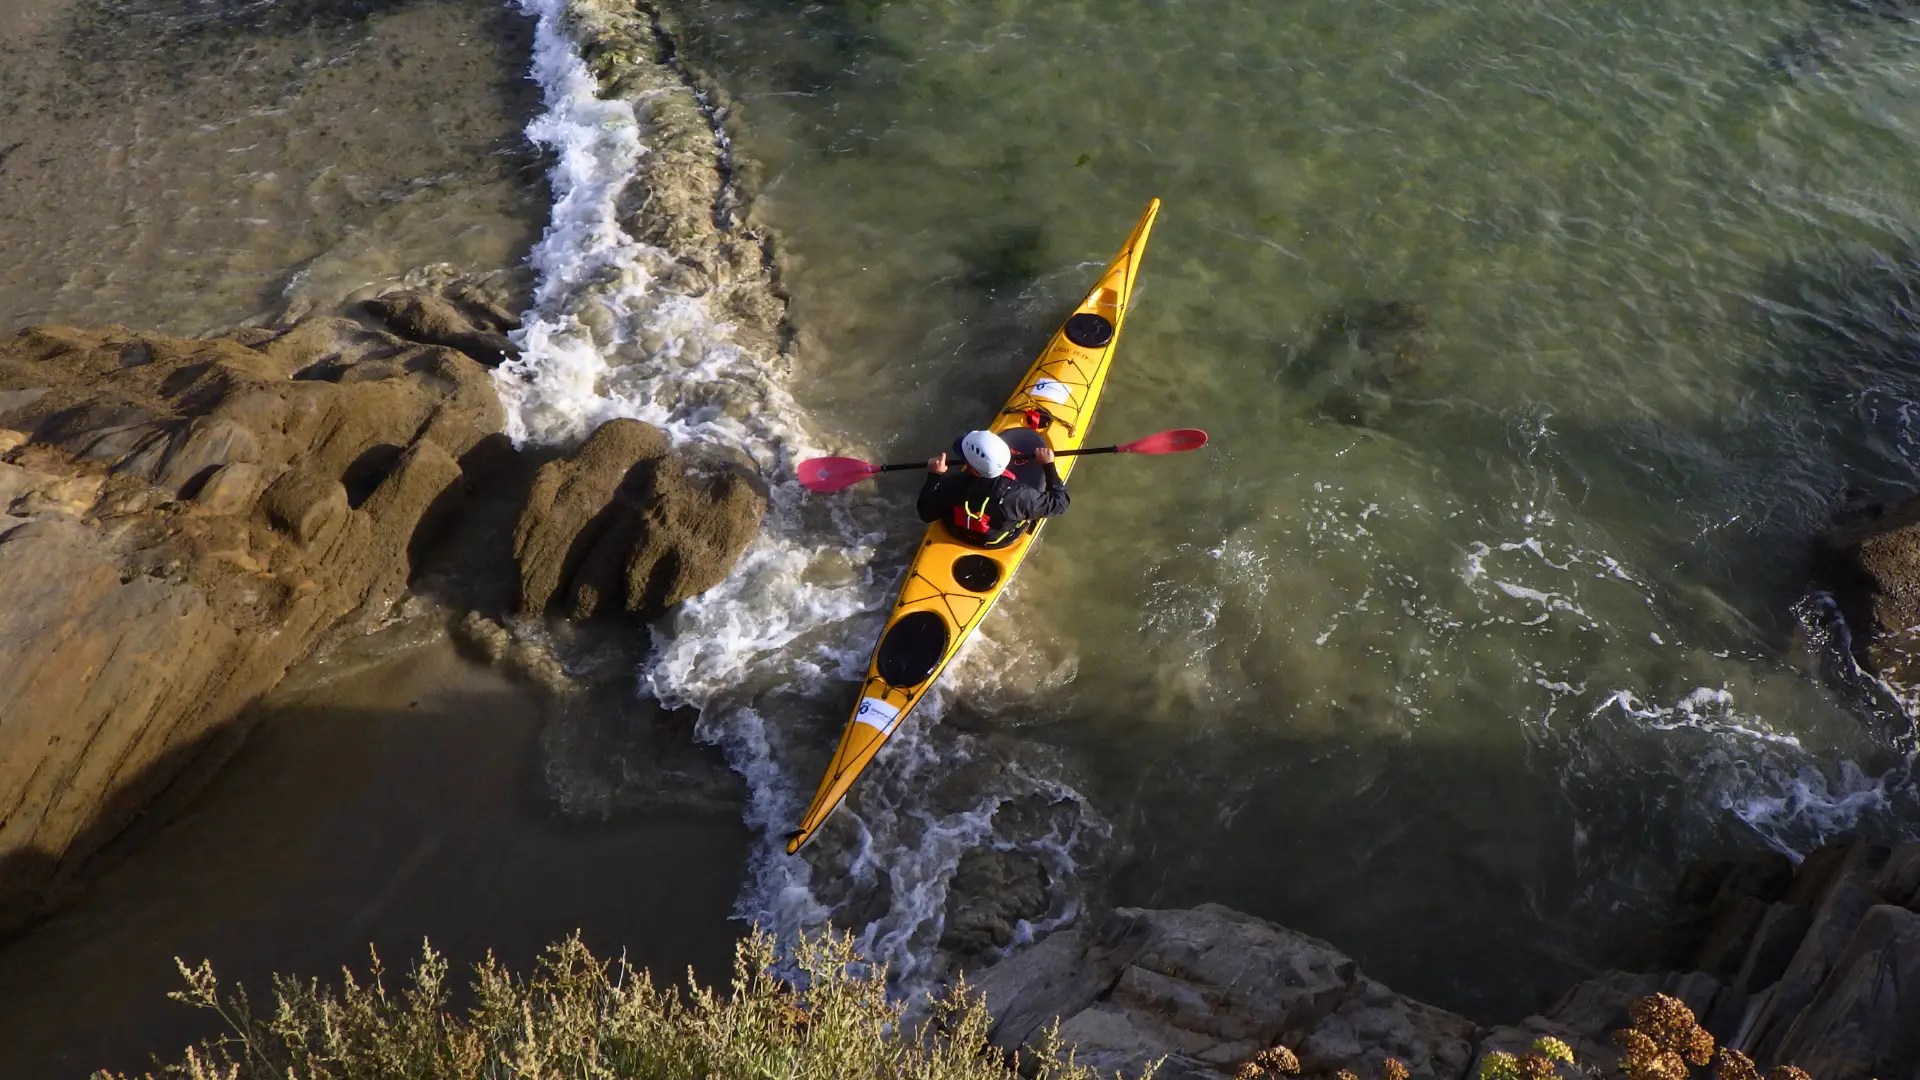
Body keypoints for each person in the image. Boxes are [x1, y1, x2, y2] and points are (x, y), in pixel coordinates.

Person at [917, 429, 1069, 547]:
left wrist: (934, 475)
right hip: (997, 540)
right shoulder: (1019, 496)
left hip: (955, 531)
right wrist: (1048, 465)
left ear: (973, 468)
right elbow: (1061, 504)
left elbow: (926, 515)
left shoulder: (950, 484)